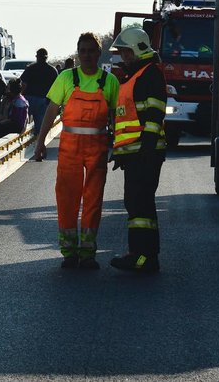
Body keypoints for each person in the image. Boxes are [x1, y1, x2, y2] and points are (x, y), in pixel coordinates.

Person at [33, 33, 119, 270]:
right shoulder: (66, 78)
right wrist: (40, 143)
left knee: (93, 201)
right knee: (67, 199)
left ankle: (88, 253)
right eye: (83, 51)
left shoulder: (109, 81)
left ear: (99, 53)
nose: (87, 55)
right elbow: (51, 111)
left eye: (91, 50)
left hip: (97, 148)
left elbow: (116, 117)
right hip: (70, 147)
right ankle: (69, 252)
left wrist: (118, 146)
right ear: (78, 53)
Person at [109, 27, 167, 274]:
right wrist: (123, 153)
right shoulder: (136, 75)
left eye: (125, 52)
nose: (122, 56)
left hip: (145, 153)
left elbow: (154, 115)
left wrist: (145, 150)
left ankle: (142, 256)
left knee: (140, 205)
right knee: (138, 204)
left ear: (136, 50)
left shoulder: (148, 75)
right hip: (136, 153)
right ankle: (143, 255)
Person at [21, 48, 58, 137]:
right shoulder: (52, 70)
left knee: (23, 124)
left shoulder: (30, 68)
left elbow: (23, 85)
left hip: (28, 99)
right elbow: (56, 88)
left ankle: (22, 140)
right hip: (43, 100)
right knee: (40, 127)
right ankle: (38, 143)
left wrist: (20, 97)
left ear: (37, 57)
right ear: (46, 57)